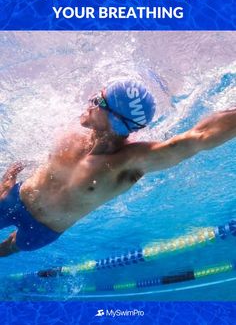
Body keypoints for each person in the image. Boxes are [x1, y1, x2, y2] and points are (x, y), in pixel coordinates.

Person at [0, 81, 235, 257]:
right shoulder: (71, 130)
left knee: (9, 248)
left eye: (99, 101)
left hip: (44, 230)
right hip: (13, 199)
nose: (90, 102)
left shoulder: (128, 162)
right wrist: (9, 177)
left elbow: (199, 137)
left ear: (116, 119)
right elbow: (39, 160)